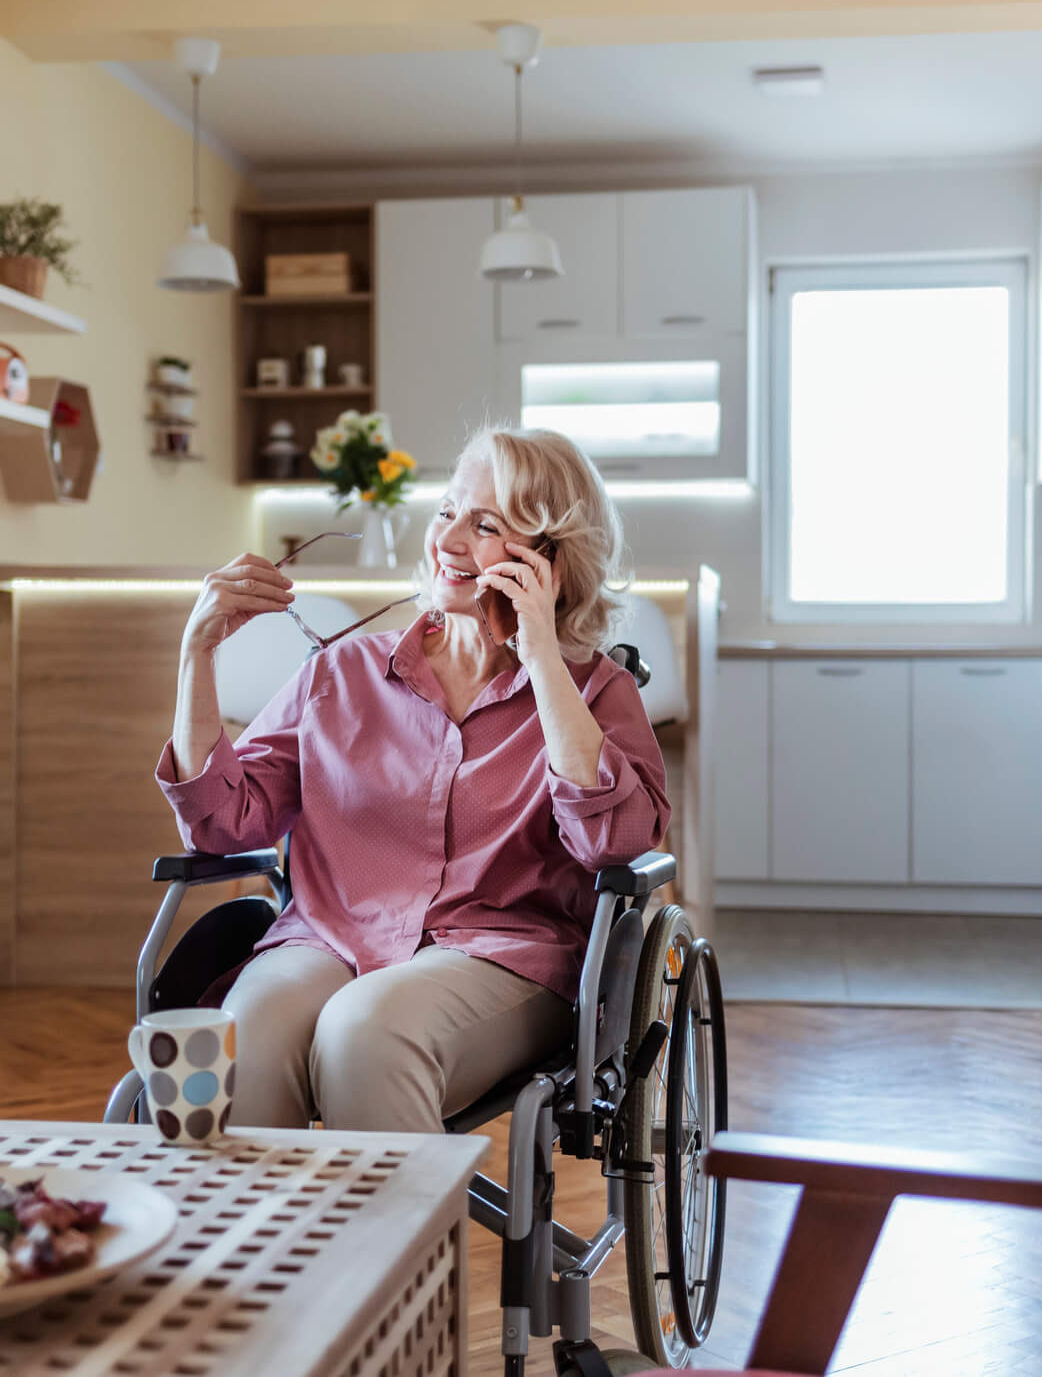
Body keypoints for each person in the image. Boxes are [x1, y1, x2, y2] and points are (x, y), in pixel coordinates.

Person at [156, 426, 669, 1132]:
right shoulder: (342, 673)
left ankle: (401, 1244)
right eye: (445, 513)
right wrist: (197, 654)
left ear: (548, 558)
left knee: (366, 1030)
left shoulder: (595, 692)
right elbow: (221, 823)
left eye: (484, 524)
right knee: (247, 1031)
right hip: (328, 937)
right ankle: (273, 1243)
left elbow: (612, 843)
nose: (450, 540)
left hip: (500, 957)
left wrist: (543, 656)